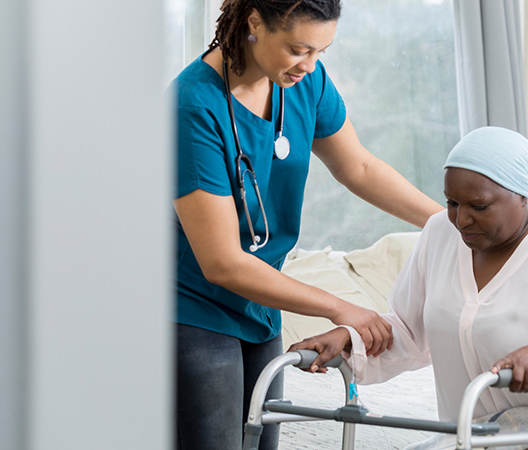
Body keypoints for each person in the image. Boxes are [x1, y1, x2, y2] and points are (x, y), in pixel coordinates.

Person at [171, 1, 444, 449]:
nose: (311, 65)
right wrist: (340, 308)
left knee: (261, 441)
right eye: (299, 49)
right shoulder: (192, 106)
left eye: (321, 51)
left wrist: (448, 223)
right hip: (193, 307)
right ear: (255, 22)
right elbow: (222, 262)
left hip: (259, 304)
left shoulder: (301, 82)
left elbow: (358, 167)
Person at [291, 126, 528, 449]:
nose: (460, 220)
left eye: (479, 206)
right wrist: (349, 339)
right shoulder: (439, 233)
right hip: (474, 437)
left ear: (521, 195)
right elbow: (408, 331)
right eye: (452, 203)